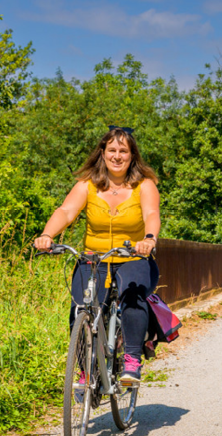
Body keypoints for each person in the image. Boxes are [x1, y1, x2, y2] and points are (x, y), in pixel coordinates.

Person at [34, 126, 161, 386]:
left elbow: (151, 214)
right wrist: (47, 234)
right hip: (95, 258)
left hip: (132, 256)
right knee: (81, 307)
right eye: (112, 150)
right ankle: (85, 369)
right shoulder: (87, 185)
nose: (117, 156)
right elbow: (66, 211)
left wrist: (149, 239)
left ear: (132, 155)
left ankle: (132, 361)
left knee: (132, 297)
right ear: (102, 153)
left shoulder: (144, 185)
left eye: (123, 151)